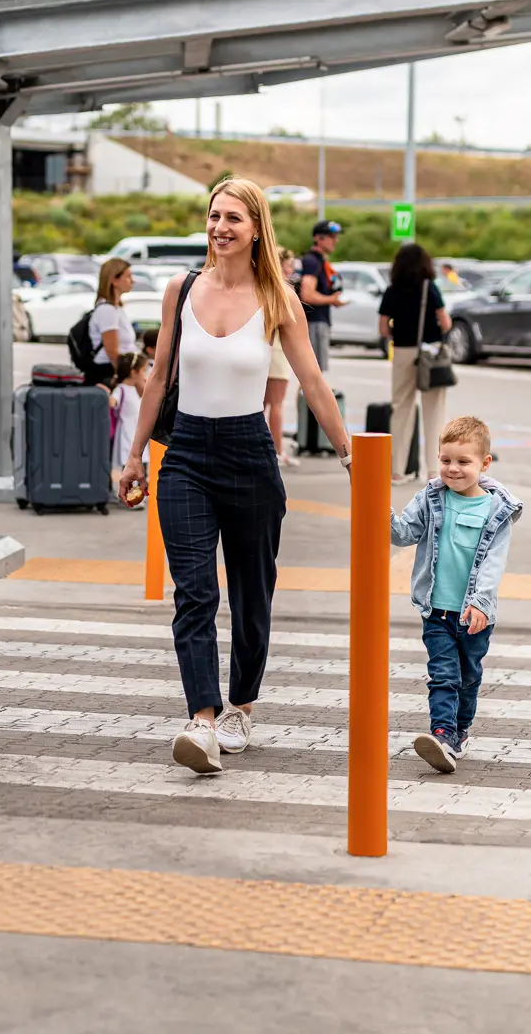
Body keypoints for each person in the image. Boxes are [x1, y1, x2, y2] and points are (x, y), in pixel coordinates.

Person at [118, 176, 352, 775]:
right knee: (195, 591)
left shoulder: (279, 301)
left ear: (256, 230)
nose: (220, 227)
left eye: (233, 219)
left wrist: (353, 454)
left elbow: (314, 383)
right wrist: (135, 454)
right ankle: (201, 720)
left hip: (250, 453)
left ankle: (240, 706)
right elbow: (159, 374)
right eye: (214, 215)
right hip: (188, 455)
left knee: (253, 593)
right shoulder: (181, 289)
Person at [390, 416, 522, 773]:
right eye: (446, 460)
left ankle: (460, 731)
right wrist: (376, 505)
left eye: (464, 462)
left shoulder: (497, 510)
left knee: (468, 677)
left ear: (484, 463)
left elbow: (493, 562)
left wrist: (481, 601)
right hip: (436, 610)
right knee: (443, 674)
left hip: (474, 615)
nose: (453, 469)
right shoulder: (431, 498)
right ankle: (442, 734)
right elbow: (403, 534)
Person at [379, 242, 452, 484]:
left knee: (401, 409)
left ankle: (397, 471)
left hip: (402, 352)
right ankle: (433, 470)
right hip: (429, 354)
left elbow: (383, 327)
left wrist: (400, 335)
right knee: (433, 411)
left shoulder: (392, 290)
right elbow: (445, 323)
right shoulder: (429, 288)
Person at [264, 247, 299, 467]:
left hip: (267, 351)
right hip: (276, 351)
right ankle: (276, 451)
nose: (292, 270)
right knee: (276, 404)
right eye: (290, 265)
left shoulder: (264, 287)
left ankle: (272, 450)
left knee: (261, 404)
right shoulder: (280, 290)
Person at [298, 219, 346, 371]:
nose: (335, 240)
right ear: (318, 238)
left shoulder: (320, 261)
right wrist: (331, 299)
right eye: (331, 236)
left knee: (314, 371)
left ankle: (307, 395)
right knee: (313, 370)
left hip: (319, 320)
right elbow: (307, 294)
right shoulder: (312, 261)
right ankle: (306, 396)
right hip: (314, 321)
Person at [85, 257, 137, 388]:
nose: (133, 280)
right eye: (128, 276)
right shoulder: (107, 310)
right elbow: (112, 352)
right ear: (114, 280)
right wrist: (122, 378)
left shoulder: (116, 308)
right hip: (108, 374)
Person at [109, 350, 148, 475]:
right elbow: (112, 402)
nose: (145, 375)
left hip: (137, 437)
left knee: (141, 470)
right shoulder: (121, 389)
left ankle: (138, 493)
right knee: (130, 471)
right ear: (133, 373)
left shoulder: (135, 389)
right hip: (127, 437)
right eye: (143, 371)